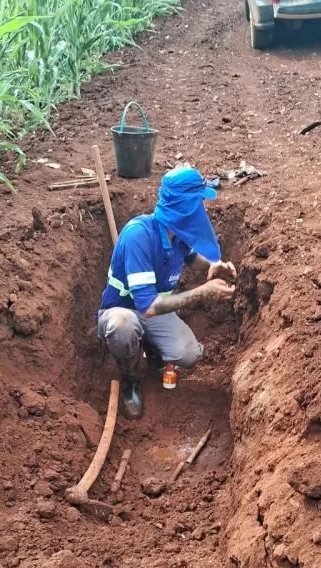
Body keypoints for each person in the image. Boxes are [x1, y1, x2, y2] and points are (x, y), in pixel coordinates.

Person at [97, 167, 236, 420]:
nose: (201, 209)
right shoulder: (139, 235)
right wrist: (202, 292)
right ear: (185, 206)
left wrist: (212, 265)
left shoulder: (176, 233)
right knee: (123, 326)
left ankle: (152, 349)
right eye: (198, 202)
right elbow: (148, 306)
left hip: (153, 310)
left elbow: (191, 257)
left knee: (188, 353)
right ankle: (130, 380)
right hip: (124, 310)